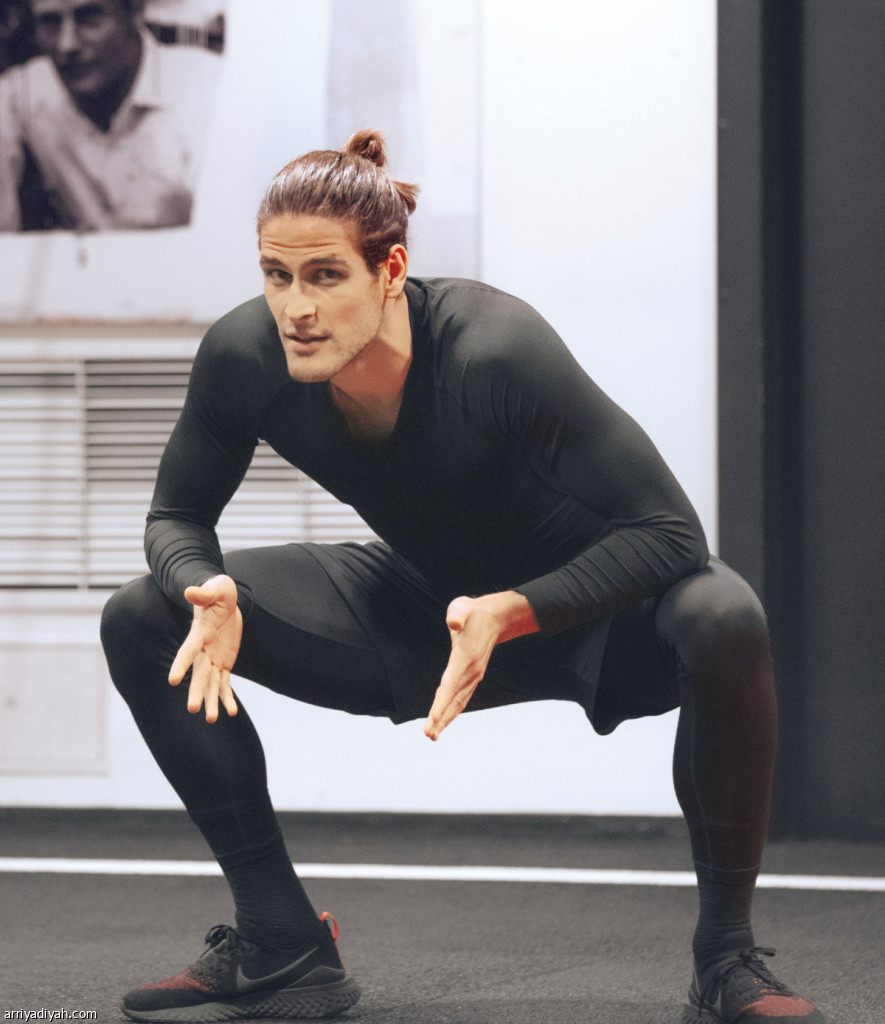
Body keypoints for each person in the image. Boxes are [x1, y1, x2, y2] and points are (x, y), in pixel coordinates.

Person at [100, 130, 827, 1024]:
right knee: (141, 616)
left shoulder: (493, 348)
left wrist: (514, 611)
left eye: (325, 276)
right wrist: (199, 586)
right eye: (276, 275)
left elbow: (670, 533)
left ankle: (725, 959)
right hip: (429, 605)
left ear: (390, 270)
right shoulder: (245, 356)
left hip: (597, 614)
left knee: (722, 612)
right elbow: (175, 516)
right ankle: (278, 942)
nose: (296, 307)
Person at [0, 0, 220, 231]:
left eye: (89, 18)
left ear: (135, 11)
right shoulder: (24, 93)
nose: (67, 44)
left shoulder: (208, 88)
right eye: (50, 23)